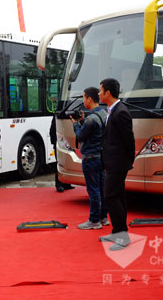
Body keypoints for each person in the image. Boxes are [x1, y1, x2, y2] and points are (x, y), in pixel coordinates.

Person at [98, 78, 135, 251]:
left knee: (111, 196)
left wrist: (127, 162)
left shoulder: (121, 112)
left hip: (118, 164)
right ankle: (117, 231)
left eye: (100, 91)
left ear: (108, 93)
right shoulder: (113, 110)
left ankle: (122, 235)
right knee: (117, 196)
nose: (98, 94)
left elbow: (129, 141)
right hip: (112, 162)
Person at [70, 87, 109, 229]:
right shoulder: (104, 114)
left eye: (84, 98)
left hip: (90, 159)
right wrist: (82, 121)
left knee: (93, 190)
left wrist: (75, 124)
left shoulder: (91, 118)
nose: (83, 101)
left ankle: (94, 221)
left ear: (89, 99)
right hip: (100, 157)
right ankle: (103, 217)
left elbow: (81, 137)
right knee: (101, 188)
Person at [49, 114, 75, 193]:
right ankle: (59, 184)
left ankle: (67, 183)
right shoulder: (58, 115)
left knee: (68, 162)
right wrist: (54, 142)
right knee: (60, 162)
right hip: (59, 141)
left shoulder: (69, 114)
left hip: (67, 142)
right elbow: (52, 129)